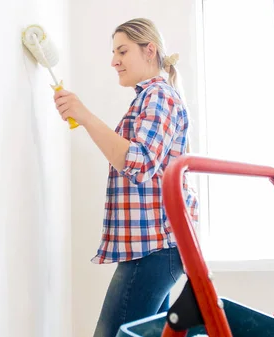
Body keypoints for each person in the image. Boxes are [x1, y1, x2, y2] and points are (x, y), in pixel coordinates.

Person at [53, 18, 199, 337]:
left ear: (150, 51)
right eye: (113, 52)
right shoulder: (149, 97)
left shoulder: (159, 96)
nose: (114, 60)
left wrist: (86, 116)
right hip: (157, 245)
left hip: (156, 247)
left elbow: (140, 162)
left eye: (122, 50)